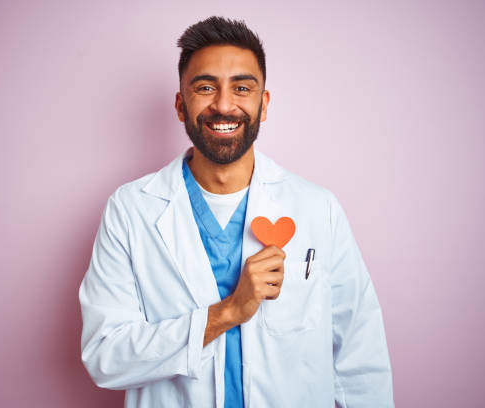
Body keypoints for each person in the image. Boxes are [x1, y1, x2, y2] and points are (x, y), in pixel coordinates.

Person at [79, 16, 394, 408]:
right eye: (205, 87)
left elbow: (359, 357)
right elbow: (105, 356)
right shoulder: (130, 210)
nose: (224, 105)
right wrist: (229, 311)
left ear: (263, 105)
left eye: (242, 88)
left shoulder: (317, 209)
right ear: (181, 105)